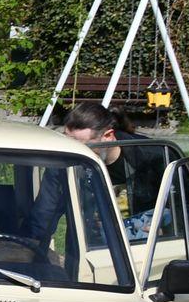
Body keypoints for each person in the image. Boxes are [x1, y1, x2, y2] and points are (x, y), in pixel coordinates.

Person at [29, 99, 170, 243]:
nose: (73, 152)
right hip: (90, 247)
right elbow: (44, 214)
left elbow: (182, 202)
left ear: (108, 136)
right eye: (68, 141)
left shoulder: (153, 156)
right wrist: (32, 247)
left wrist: (167, 231)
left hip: (145, 246)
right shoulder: (64, 162)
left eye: (82, 146)